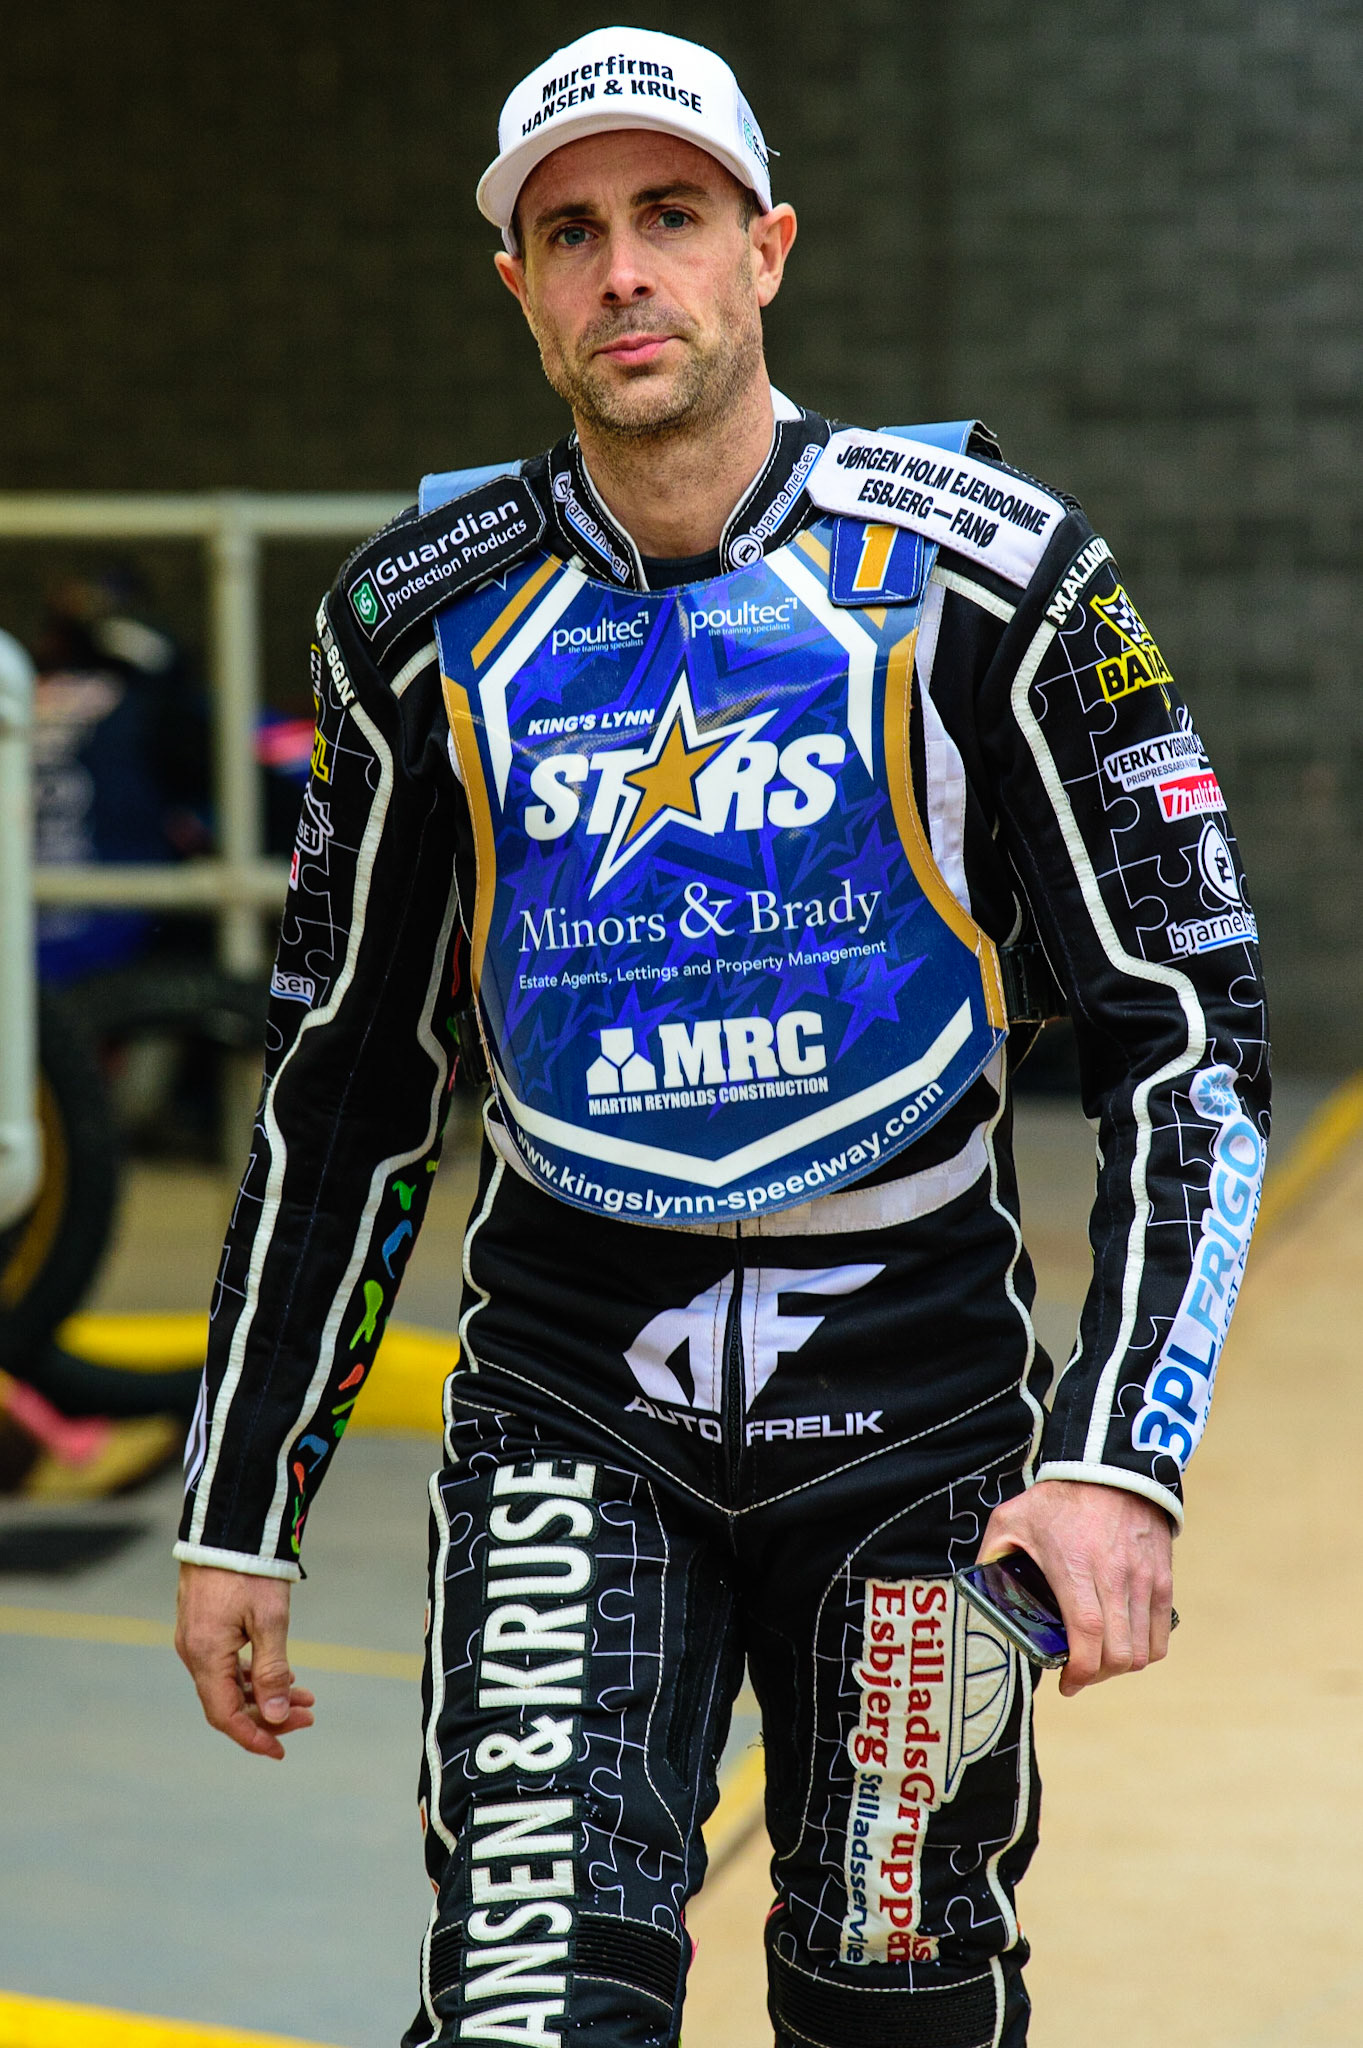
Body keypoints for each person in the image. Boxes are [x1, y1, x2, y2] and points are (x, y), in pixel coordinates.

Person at [173, 27, 1270, 2048]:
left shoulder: (997, 571)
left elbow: (1182, 1029)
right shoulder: (415, 624)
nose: (622, 274)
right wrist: (244, 1503)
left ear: (763, 248)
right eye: (568, 234)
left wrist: (1119, 1457)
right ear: (517, 290)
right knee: (526, 2007)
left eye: (668, 218)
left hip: (921, 1419)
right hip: (569, 1399)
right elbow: (346, 1084)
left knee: (892, 1991)